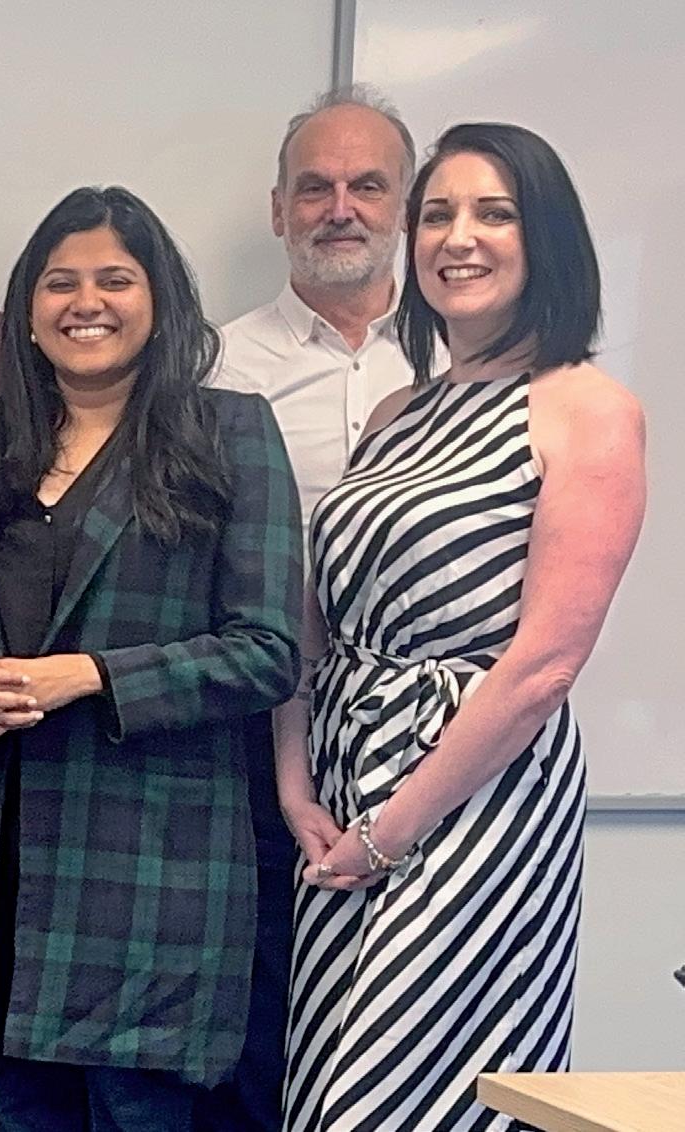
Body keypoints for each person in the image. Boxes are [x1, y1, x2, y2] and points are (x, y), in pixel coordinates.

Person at [0, 186, 303, 1131]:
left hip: (149, 880)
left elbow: (267, 651)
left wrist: (89, 676)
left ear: (160, 301)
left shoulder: (230, 435)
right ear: (28, 310)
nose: (87, 302)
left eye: (115, 279)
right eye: (60, 282)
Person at [284, 123, 646, 1132]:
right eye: (437, 214)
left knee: (413, 1099)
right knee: (322, 1082)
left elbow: (544, 667)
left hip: (478, 803)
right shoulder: (396, 413)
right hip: (343, 787)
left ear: (546, 238)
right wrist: (296, 785)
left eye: (494, 213)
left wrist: (390, 832)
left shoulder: (587, 408)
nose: (458, 236)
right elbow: (317, 626)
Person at [200, 85, 417, 1132]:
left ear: (405, 206)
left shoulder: (463, 363)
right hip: (254, 741)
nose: (341, 208)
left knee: (403, 1031)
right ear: (277, 206)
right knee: (258, 1028)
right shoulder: (214, 368)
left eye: (367, 186)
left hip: (426, 743)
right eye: (316, 187)